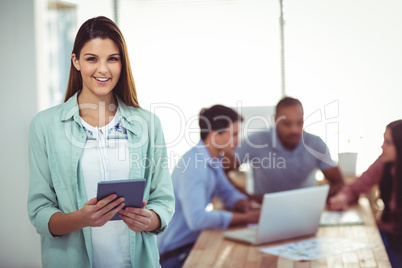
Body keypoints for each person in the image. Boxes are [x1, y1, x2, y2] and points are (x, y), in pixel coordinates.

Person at [27, 16, 175, 267]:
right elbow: (40, 211)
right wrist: (81, 218)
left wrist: (149, 219)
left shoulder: (148, 124)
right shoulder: (45, 125)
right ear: (75, 61)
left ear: (122, 63)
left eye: (113, 59)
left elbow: (164, 200)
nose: (103, 70)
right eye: (92, 59)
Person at [157, 105, 260, 268]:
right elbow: (197, 219)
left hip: (194, 243)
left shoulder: (213, 159)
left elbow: (226, 191)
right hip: (175, 254)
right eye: (233, 134)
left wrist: (243, 203)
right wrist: (247, 218)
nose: (238, 141)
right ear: (213, 135)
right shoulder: (193, 166)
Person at [235, 97, 344, 201]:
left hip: (306, 210)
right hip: (265, 210)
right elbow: (221, 172)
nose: (294, 130)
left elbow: (339, 182)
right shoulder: (255, 141)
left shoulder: (316, 144)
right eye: (287, 124)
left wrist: (317, 201)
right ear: (275, 120)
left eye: (299, 123)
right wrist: (249, 198)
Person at [329, 120, 402, 267]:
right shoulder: (384, 163)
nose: (382, 146)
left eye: (388, 142)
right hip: (388, 235)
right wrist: (343, 197)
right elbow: (357, 186)